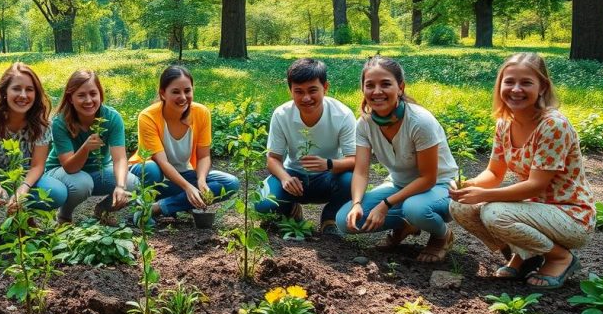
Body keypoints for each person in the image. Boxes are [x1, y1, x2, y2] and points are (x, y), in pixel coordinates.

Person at [449, 53, 594, 289]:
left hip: (570, 215)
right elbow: (494, 174)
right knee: (460, 206)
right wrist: (468, 185)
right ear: (500, 85)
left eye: (526, 82)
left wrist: (483, 195)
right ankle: (525, 255)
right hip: (531, 210)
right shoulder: (504, 123)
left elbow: (536, 185)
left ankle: (560, 257)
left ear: (542, 87)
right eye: (509, 82)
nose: (516, 89)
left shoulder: (552, 125)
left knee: (494, 213)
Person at [336, 56, 458, 263]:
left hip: (440, 186)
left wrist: (384, 205)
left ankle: (442, 235)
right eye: (370, 85)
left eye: (385, 84)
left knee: (416, 209)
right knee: (343, 220)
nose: (377, 92)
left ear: (400, 87)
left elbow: (428, 178)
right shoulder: (364, 123)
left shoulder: (420, 122)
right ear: (363, 89)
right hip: (400, 185)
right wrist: (357, 203)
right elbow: (361, 170)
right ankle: (406, 225)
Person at [258, 58, 355, 234]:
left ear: (325, 88)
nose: (306, 98)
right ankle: (291, 211)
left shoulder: (343, 114)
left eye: (313, 90)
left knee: (351, 180)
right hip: (294, 177)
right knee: (262, 204)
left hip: (328, 176)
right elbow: (273, 159)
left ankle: (330, 218)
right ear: (290, 91)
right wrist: (285, 178)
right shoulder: (282, 115)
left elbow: (355, 159)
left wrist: (328, 164)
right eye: (299, 91)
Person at [129, 66, 239, 220]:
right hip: (150, 178)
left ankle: (159, 207)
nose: (183, 97)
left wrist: (200, 181)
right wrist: (188, 187)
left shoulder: (201, 113)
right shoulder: (148, 117)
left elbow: (203, 156)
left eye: (187, 91)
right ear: (163, 93)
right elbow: (162, 162)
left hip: (181, 175)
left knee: (230, 182)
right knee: (152, 169)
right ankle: (148, 203)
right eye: (175, 92)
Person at [0, 63, 68, 233]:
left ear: (36, 93)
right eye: (16, 89)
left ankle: (25, 213)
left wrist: (23, 189)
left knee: (58, 193)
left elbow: (38, 165)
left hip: (26, 176)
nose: (23, 95)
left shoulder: (41, 121)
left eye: (29, 89)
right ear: (5, 92)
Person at [45, 70, 139, 225]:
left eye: (93, 94)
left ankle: (102, 211)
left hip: (98, 170)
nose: (88, 100)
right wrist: (85, 148)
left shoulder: (112, 117)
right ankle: (64, 216)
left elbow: (120, 159)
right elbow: (69, 167)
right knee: (82, 183)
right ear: (70, 98)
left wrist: (120, 186)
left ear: (100, 95)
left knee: (132, 184)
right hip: (61, 172)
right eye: (81, 95)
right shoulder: (60, 122)